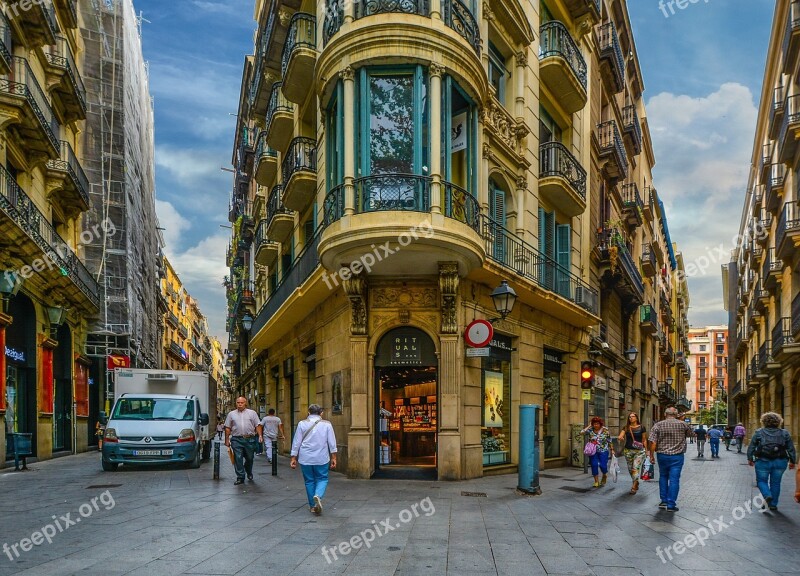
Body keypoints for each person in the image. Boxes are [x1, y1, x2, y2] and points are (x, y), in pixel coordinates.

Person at [290, 404, 337, 515]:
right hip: (321, 457)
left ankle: (312, 506)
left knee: (309, 481)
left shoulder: (302, 424)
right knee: (322, 478)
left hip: (305, 457)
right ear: (321, 413)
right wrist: (334, 457)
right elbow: (332, 442)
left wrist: (293, 457)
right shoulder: (327, 424)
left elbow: (297, 442)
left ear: (308, 412)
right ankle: (318, 495)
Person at [747, 412, 796, 511]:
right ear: (778, 422)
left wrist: (750, 458)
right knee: (776, 483)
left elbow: (751, 446)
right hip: (780, 461)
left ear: (764, 421)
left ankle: (767, 494)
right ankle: (773, 504)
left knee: (761, 481)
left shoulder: (759, 432)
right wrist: (792, 461)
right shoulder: (784, 433)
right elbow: (791, 448)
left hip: (763, 460)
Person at [649, 407, 693, 512]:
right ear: (677, 414)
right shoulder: (683, 424)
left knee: (663, 476)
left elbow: (653, 442)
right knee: (674, 479)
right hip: (677, 456)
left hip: (662, 455)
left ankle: (663, 500)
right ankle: (671, 504)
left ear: (665, 414)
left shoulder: (658, 425)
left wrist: (651, 455)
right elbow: (691, 434)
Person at [224, 397, 263, 486]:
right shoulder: (231, 414)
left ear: (245, 403)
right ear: (236, 403)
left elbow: (258, 425)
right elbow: (227, 427)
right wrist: (227, 440)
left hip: (250, 439)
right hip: (236, 439)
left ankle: (248, 471)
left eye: (242, 402)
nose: (240, 404)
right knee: (238, 458)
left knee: (250, 458)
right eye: (238, 402)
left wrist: (260, 435)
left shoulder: (252, 413)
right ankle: (240, 477)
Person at [618, 412, 648, 495]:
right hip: (628, 451)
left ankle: (634, 486)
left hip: (639, 451)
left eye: (632, 416)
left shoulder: (642, 427)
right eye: (629, 417)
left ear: (636, 418)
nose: (631, 418)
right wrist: (620, 438)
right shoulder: (626, 427)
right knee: (630, 469)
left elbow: (644, 439)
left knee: (635, 468)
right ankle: (636, 481)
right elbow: (621, 435)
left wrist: (647, 450)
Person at [581, 417, 613, 488]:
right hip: (593, 451)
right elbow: (582, 432)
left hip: (603, 451)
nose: (596, 425)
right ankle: (596, 481)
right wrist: (589, 426)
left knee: (603, 465)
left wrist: (612, 449)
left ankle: (604, 475)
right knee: (594, 465)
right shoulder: (590, 430)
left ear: (600, 424)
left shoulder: (605, 430)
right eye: (594, 424)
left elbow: (609, 440)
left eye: (597, 424)